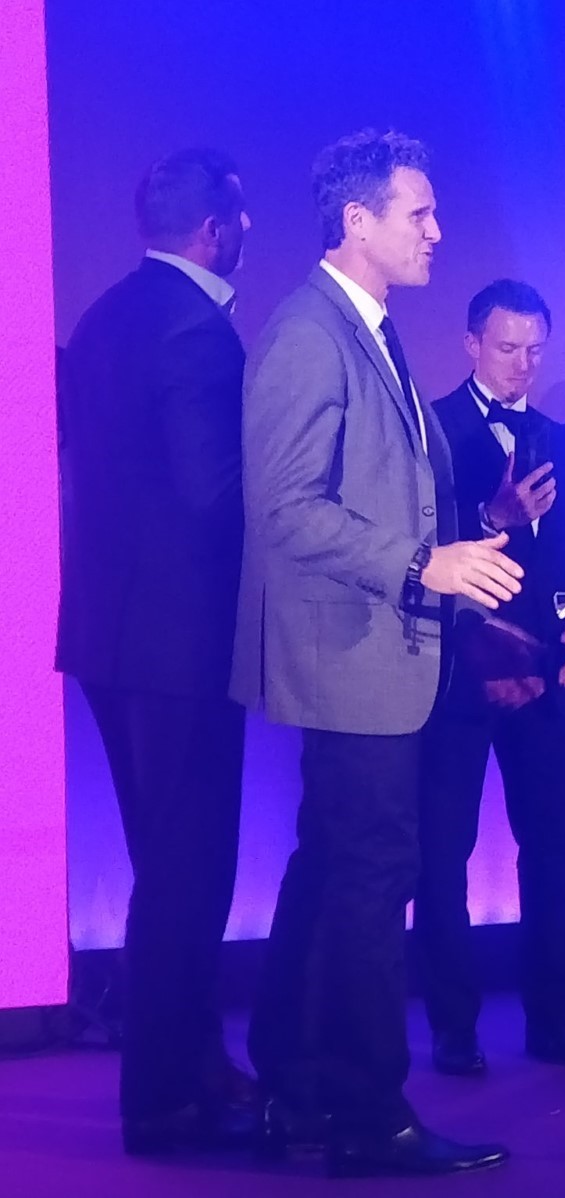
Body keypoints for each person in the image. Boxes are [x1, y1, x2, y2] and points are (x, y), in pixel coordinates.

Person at [232, 129, 517, 1177]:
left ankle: (299, 1084)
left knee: (337, 867)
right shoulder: (311, 332)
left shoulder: (373, 329)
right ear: (357, 221)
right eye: (419, 214)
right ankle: (367, 1112)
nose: (438, 230)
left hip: (383, 651)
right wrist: (420, 563)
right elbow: (287, 509)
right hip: (348, 652)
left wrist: (458, 546)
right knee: (368, 875)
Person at [57, 147, 256, 1156]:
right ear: (216, 230)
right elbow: (212, 498)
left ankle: (192, 1064)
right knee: (188, 873)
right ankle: (169, 1099)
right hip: (180, 649)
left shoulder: (102, 317)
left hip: (104, 634)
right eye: (245, 219)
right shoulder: (200, 332)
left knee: (161, 866)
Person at [414, 279, 565, 1077]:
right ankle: (454, 1030)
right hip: (455, 679)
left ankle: (552, 1022)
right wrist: (493, 522)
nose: (522, 364)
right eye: (505, 348)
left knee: (554, 852)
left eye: (534, 349)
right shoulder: (429, 427)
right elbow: (415, 544)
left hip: (548, 679)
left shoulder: (560, 436)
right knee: (443, 854)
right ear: (470, 344)